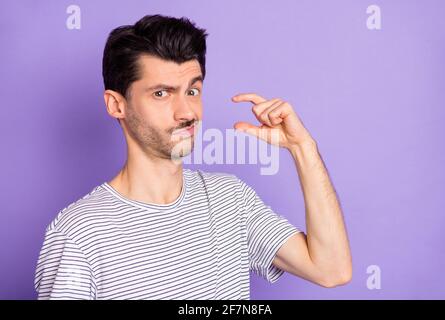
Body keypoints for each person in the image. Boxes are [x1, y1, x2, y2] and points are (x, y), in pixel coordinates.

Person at [34, 14, 352, 300]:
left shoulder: (231, 199)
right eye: (161, 93)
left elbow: (331, 270)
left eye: (192, 90)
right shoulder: (78, 235)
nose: (187, 112)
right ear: (117, 105)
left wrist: (302, 148)